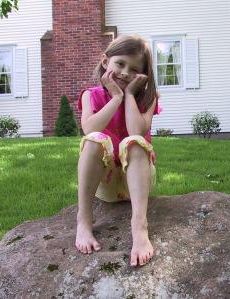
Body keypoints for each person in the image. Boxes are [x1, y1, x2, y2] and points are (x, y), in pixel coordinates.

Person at [75, 35, 161, 267]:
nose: (125, 73)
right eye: (120, 64)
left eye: (134, 69)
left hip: (137, 181)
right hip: (106, 182)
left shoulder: (147, 98)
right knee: (94, 140)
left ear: (143, 75)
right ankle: (84, 220)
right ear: (105, 62)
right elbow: (89, 129)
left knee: (134, 142)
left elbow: (137, 131)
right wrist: (116, 97)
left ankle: (139, 225)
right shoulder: (90, 95)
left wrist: (130, 96)